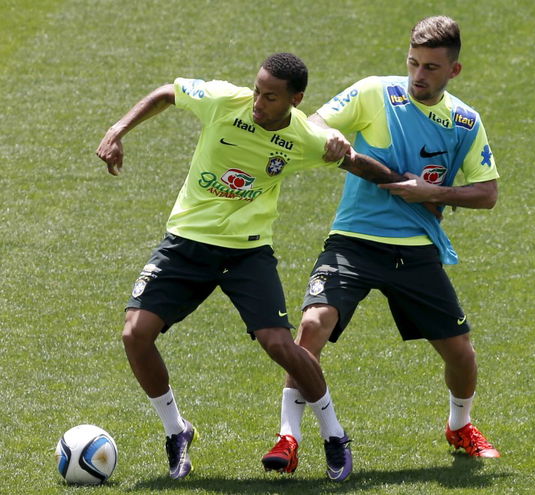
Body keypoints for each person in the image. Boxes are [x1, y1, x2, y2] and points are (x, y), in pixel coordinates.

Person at [96, 52, 407, 480]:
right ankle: (176, 431)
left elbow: (355, 164)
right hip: (186, 244)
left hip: (246, 253)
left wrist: (406, 186)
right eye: (258, 91)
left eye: (271, 97)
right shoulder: (226, 101)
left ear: (296, 100)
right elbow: (168, 92)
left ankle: (333, 434)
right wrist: (118, 130)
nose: (258, 103)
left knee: (280, 346)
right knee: (135, 333)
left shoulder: (304, 137)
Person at [262, 16, 501, 480]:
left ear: (454, 70)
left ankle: (460, 425)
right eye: (413, 62)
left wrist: (435, 194)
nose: (418, 75)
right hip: (354, 242)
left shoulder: (465, 121)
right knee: (312, 325)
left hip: (415, 252)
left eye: (431, 67)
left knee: (461, 355)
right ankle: (287, 437)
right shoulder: (375, 92)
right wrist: (327, 137)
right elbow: (313, 123)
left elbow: (487, 192)